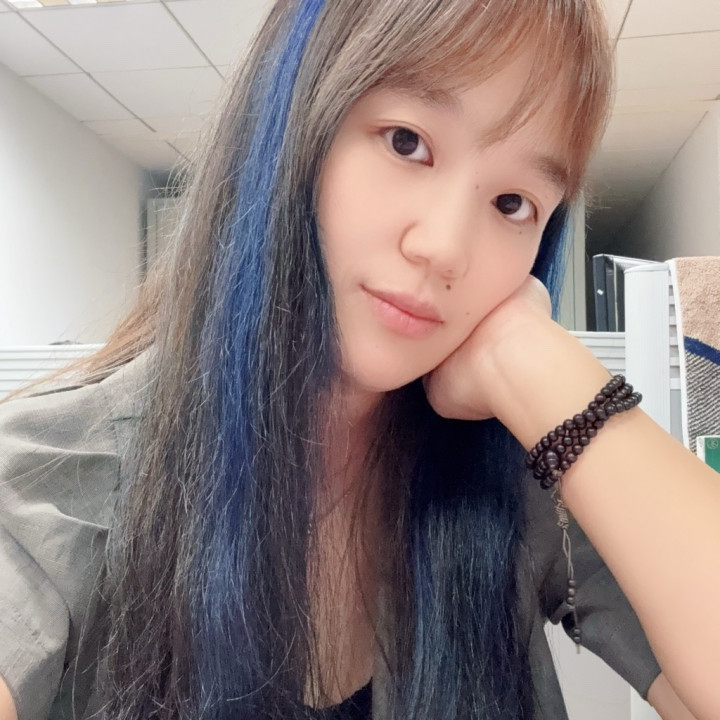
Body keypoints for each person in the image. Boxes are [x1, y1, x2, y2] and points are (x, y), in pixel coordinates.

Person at [0, 0, 718, 719]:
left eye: (512, 203)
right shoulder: (51, 482)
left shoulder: (518, 474)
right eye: (407, 142)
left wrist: (532, 362)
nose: (444, 247)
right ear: (290, 126)